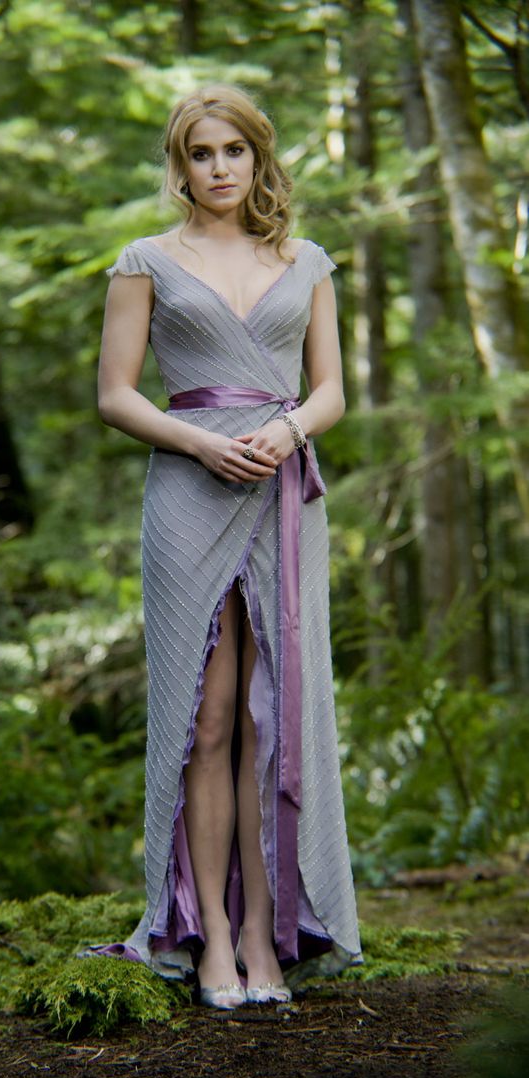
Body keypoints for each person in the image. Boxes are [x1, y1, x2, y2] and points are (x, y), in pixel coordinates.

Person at [94, 84, 362, 1009]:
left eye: (233, 152)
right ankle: (206, 936)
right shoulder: (145, 262)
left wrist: (287, 435)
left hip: (284, 488)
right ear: (181, 164)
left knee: (269, 716)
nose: (218, 169)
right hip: (189, 487)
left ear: (258, 159)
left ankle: (264, 935)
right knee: (204, 720)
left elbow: (328, 390)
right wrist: (202, 442)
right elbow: (116, 394)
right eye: (200, 153)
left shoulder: (305, 258)